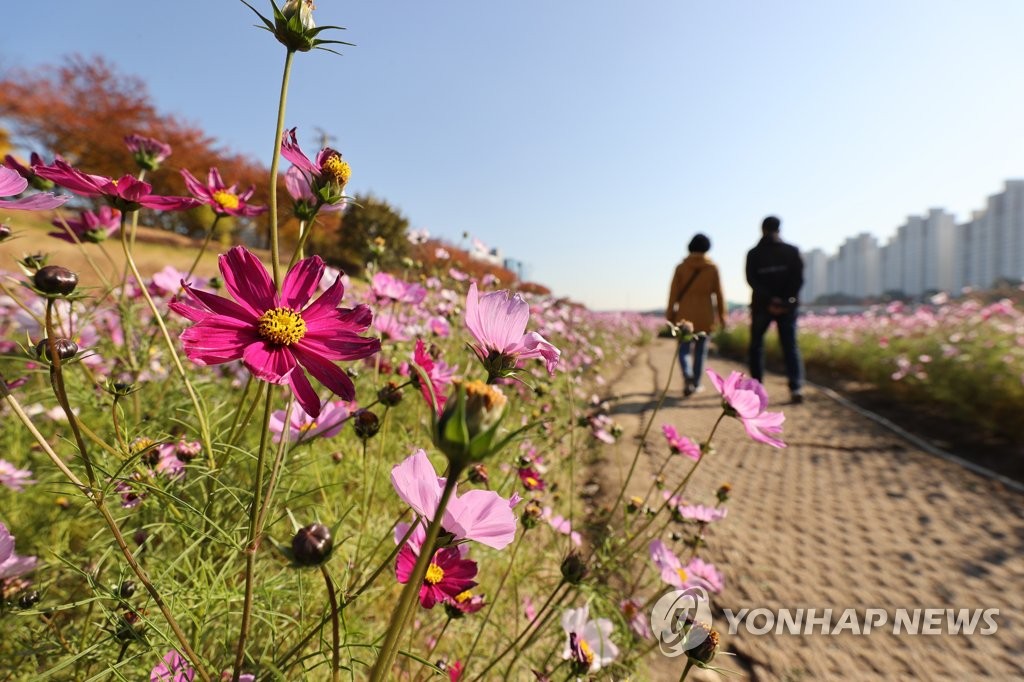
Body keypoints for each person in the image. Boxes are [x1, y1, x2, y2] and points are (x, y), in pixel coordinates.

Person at [745, 215, 805, 403]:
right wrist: (785, 301)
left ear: (762, 229)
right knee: (790, 346)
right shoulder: (792, 251)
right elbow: (798, 279)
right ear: (779, 229)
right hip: (787, 307)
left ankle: (756, 388)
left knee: (757, 346)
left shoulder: (754, 253)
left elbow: (751, 280)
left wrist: (770, 300)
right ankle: (795, 387)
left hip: (762, 306)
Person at [665, 233, 727, 397]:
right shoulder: (712, 268)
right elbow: (719, 295)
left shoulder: (681, 267)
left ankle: (687, 376)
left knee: (683, 350)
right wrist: (722, 316)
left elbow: (673, 294)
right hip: (705, 316)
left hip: (684, 316)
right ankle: (697, 383)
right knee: (700, 352)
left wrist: (670, 315)